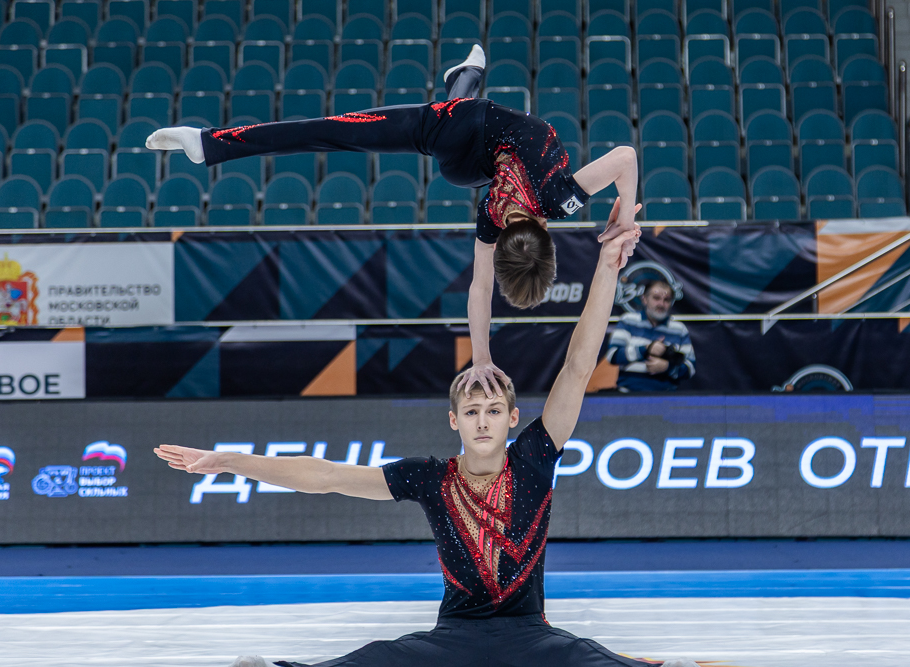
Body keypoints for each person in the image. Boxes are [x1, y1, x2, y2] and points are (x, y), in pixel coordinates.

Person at [153, 215, 694, 667]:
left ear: (512, 418)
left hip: (533, 635)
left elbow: (578, 366)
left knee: (598, 660)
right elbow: (325, 476)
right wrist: (228, 459)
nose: (484, 421)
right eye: (473, 411)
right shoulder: (430, 478)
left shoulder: (535, 456)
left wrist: (606, 268)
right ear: (454, 420)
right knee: (377, 657)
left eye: (493, 411)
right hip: (452, 638)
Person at [145, 45, 640, 401]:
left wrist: (624, 215)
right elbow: (479, 287)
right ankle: (209, 143)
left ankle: (467, 74)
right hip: (463, 137)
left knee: (343, 132)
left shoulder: (561, 200)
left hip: (469, 154)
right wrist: (482, 358)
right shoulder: (493, 220)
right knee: (337, 132)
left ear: (548, 237)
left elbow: (625, 156)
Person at [605, 279, 696, 392]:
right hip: (627, 395)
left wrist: (667, 367)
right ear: (644, 299)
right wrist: (646, 349)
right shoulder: (628, 321)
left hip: (666, 398)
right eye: (656, 298)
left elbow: (690, 368)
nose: (661, 304)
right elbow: (612, 356)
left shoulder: (679, 329)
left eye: (666, 300)